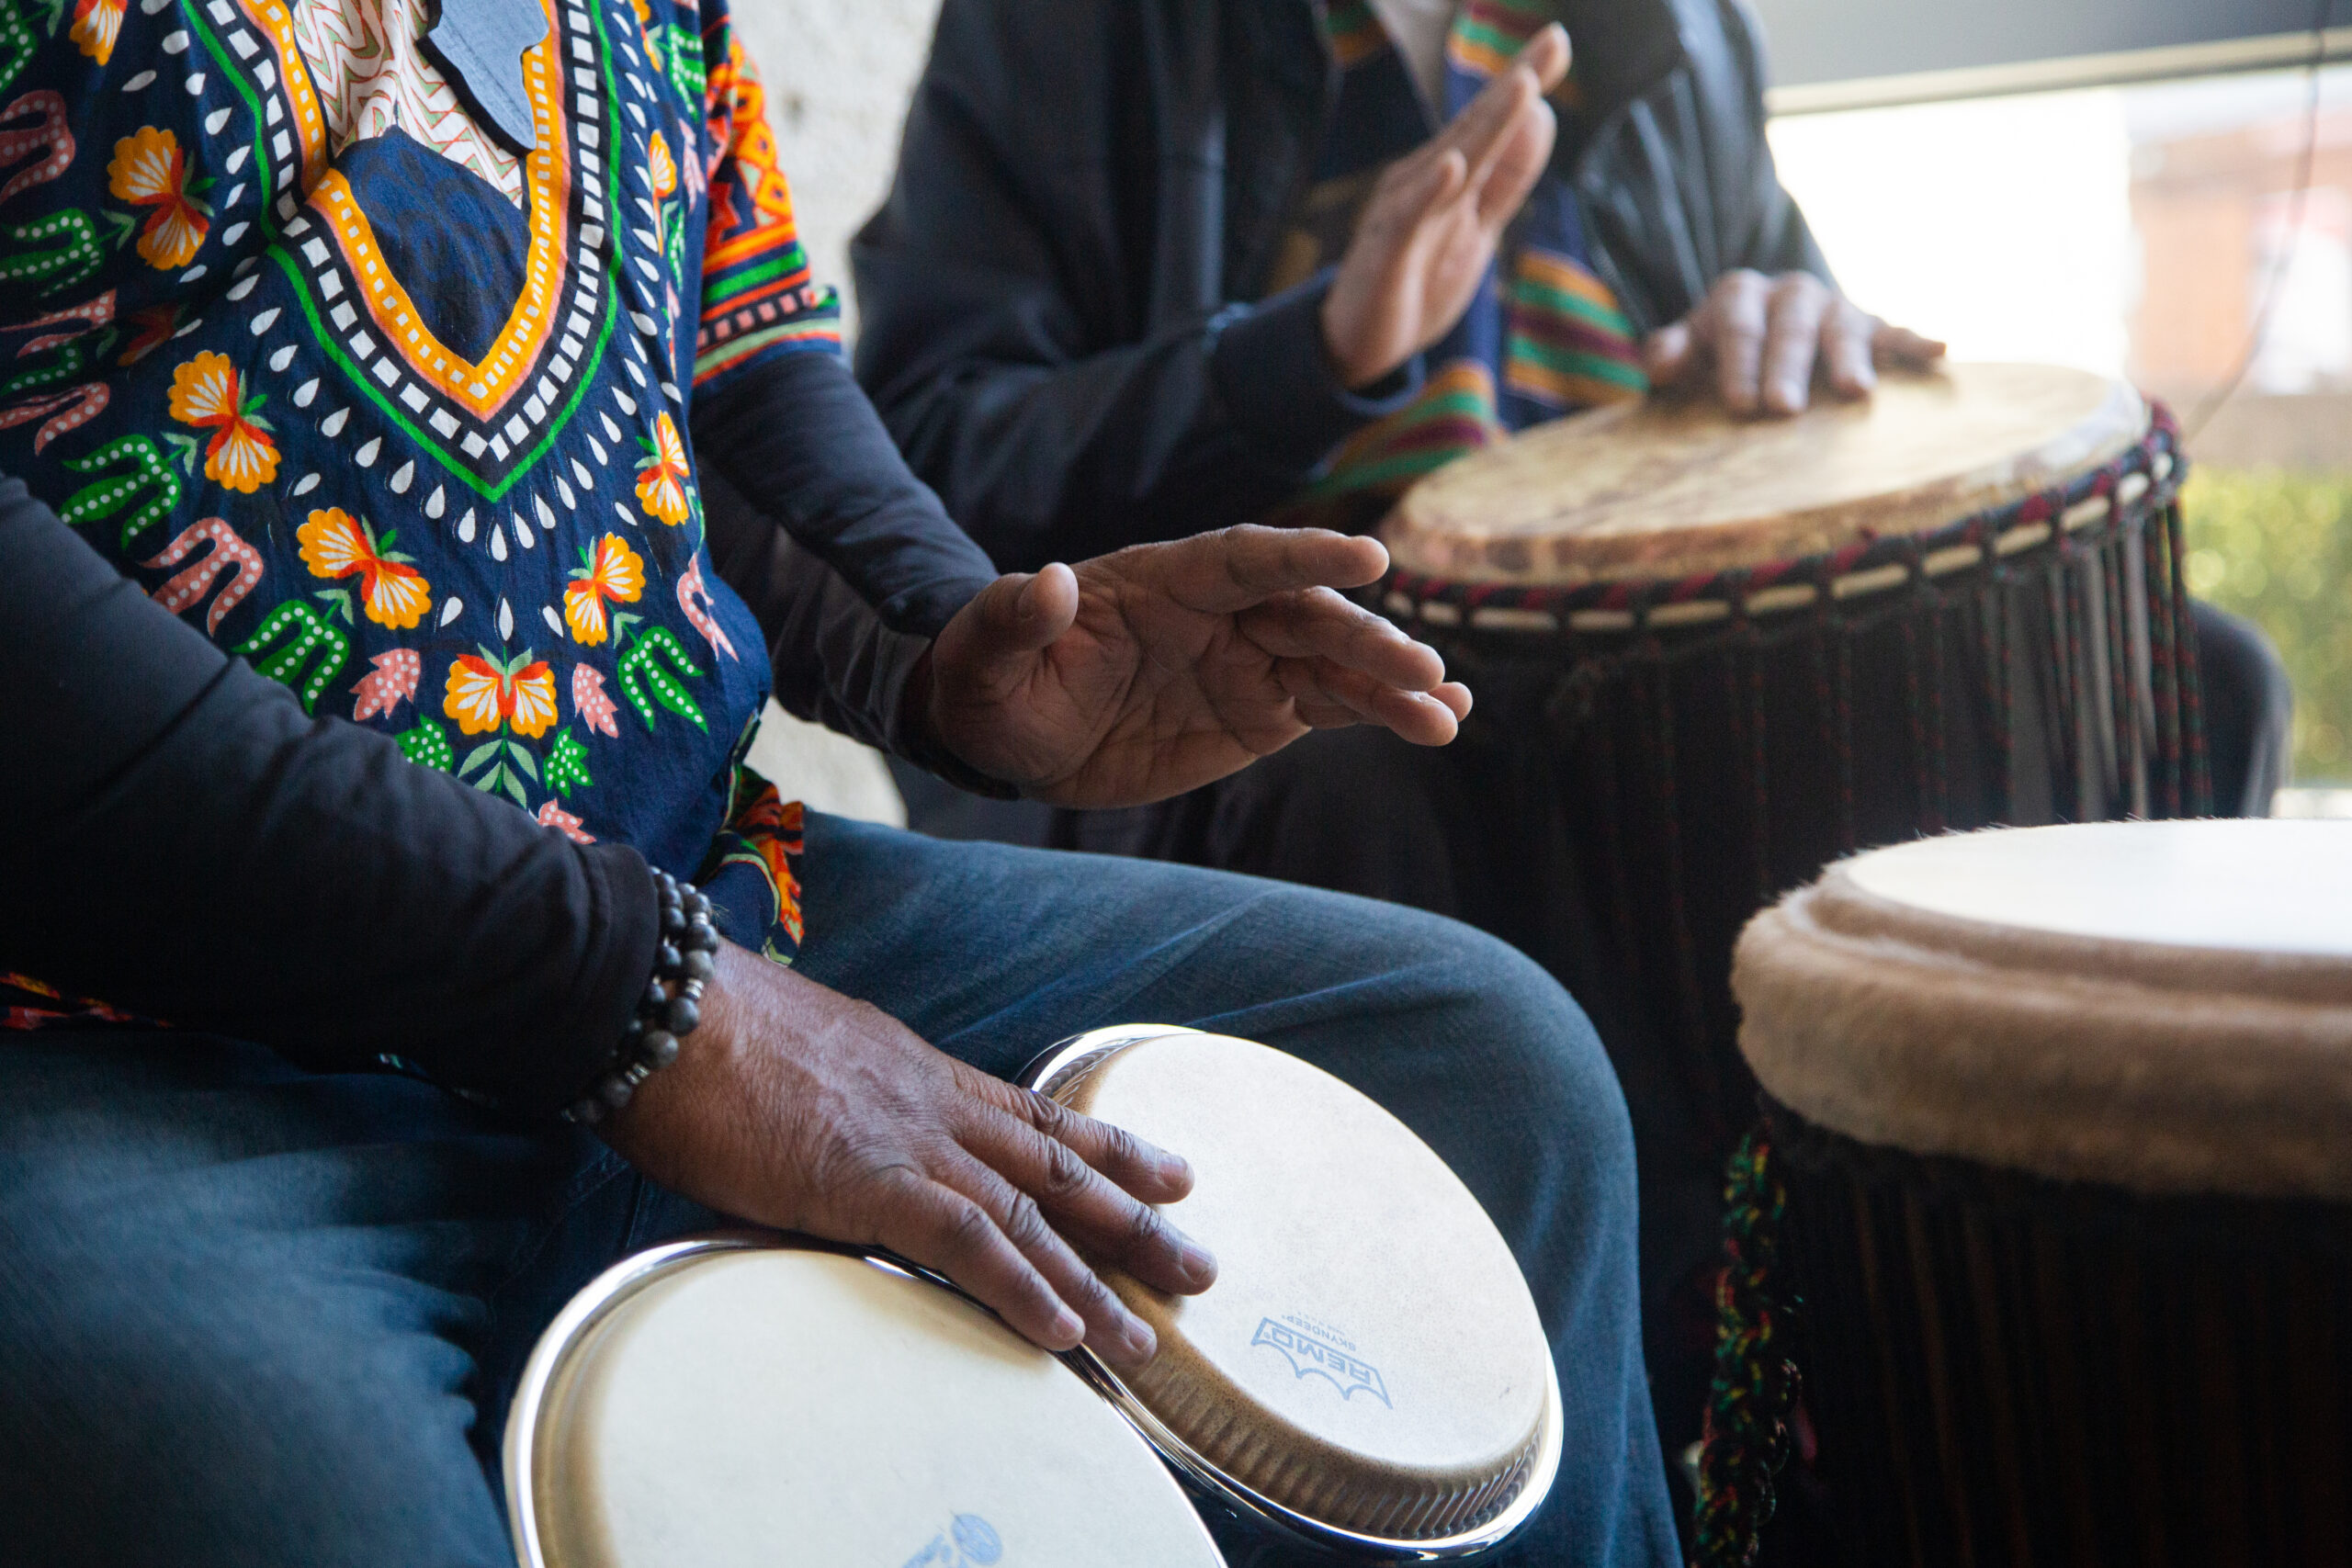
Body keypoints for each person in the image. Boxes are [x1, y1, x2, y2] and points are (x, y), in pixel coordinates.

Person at [0, 0, 1679, 1562]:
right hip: (132, 1023)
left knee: (1481, 1079)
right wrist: (649, 1009)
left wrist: (948, 649)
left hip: (713, 905)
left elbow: (723, 375)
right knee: (266, 1475)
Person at [849, 0, 2297, 1519]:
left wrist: (1779, 325)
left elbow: (1808, 373)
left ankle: (2020, 1421)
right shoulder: (1075, 31)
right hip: (1277, 713)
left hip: (1649, 692)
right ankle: (1556, 1455)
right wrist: (1304, 356)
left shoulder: (1669, 33)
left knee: (2207, 677)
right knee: (1376, 777)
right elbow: (929, 467)